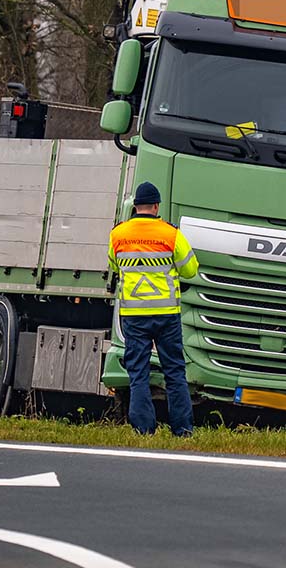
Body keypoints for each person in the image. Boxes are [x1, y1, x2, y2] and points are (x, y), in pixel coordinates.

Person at [108, 181, 198, 436]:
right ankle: (182, 429)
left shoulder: (118, 234)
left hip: (134, 315)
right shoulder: (171, 234)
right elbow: (191, 269)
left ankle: (143, 429)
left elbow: (114, 265)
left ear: (135, 206)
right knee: (174, 372)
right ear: (156, 206)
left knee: (138, 372)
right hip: (166, 315)